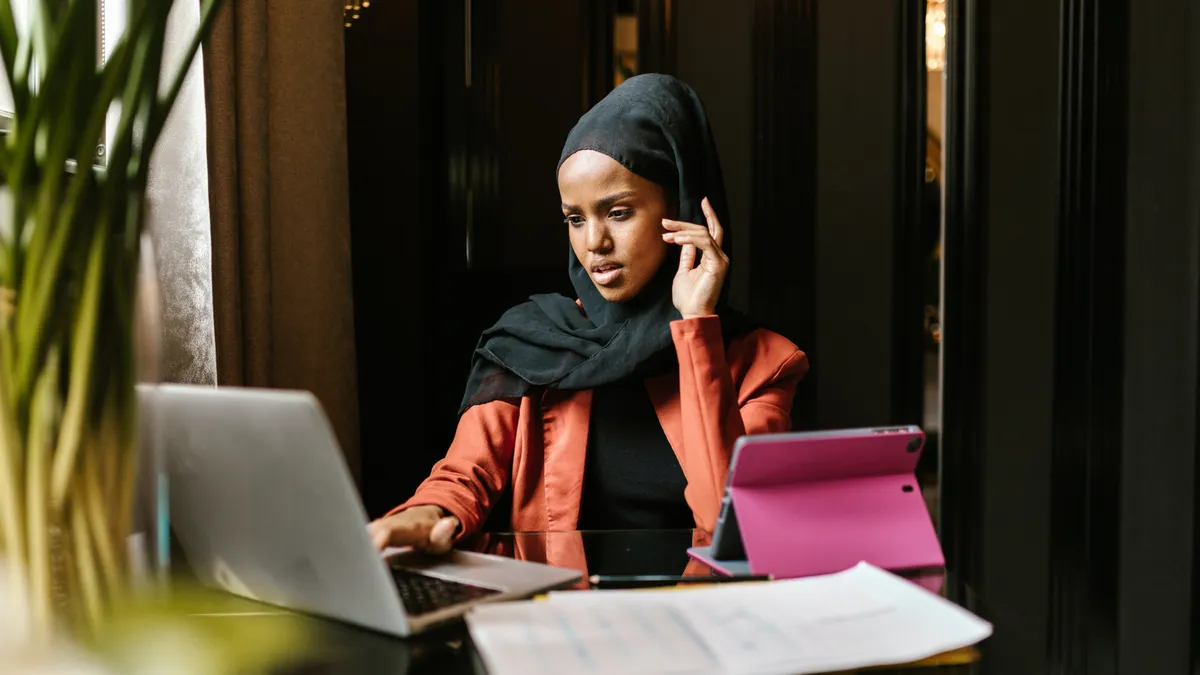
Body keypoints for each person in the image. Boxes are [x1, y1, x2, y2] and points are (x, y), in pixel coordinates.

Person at [368, 74, 808, 554]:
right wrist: (425, 515)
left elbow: (733, 526)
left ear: (681, 210)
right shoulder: (530, 345)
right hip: (561, 615)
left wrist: (696, 325)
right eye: (575, 219)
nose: (593, 244)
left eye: (618, 212)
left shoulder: (763, 362)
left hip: (697, 616)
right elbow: (463, 477)